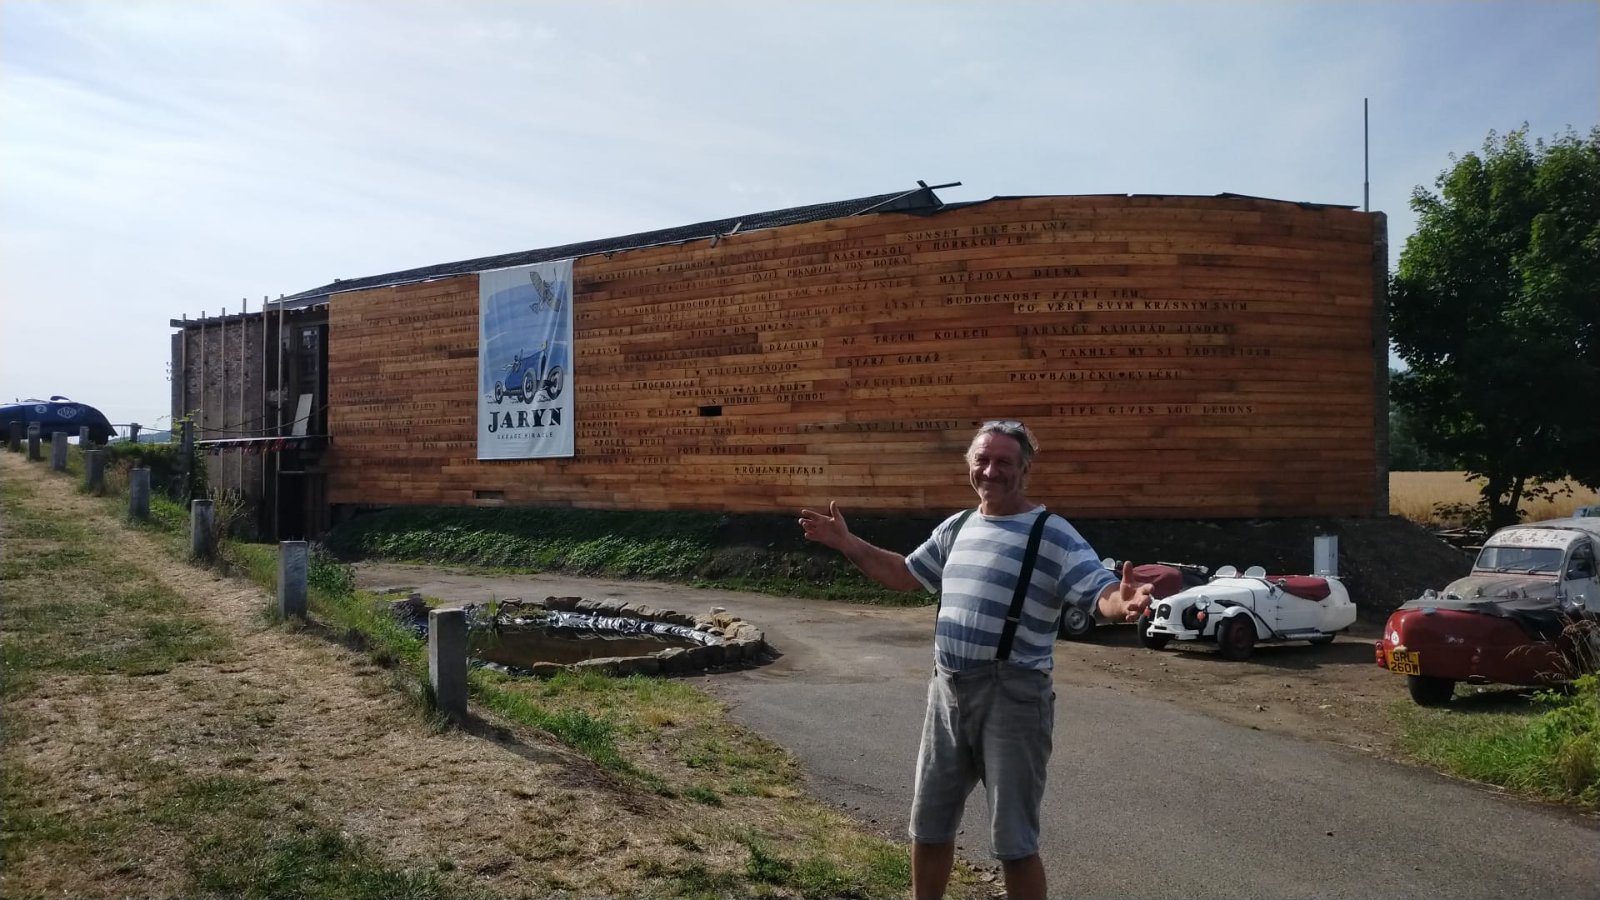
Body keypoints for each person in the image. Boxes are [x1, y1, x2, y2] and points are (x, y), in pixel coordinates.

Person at [798, 420, 1152, 900]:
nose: (990, 471)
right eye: (982, 460)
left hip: (1014, 698)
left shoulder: (1053, 534)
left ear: (1025, 469)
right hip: (947, 691)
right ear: (969, 465)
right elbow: (904, 574)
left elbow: (1100, 591)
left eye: (1004, 461)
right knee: (929, 826)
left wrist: (1121, 602)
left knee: (1014, 842)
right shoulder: (958, 527)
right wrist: (848, 543)